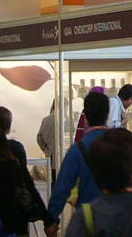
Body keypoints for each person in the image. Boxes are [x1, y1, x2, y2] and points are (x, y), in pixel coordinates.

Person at [48, 91, 112, 222]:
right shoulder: (121, 144)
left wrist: (51, 219)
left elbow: (63, 187)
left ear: (85, 117)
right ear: (107, 114)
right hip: (118, 219)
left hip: (88, 218)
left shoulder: (78, 149)